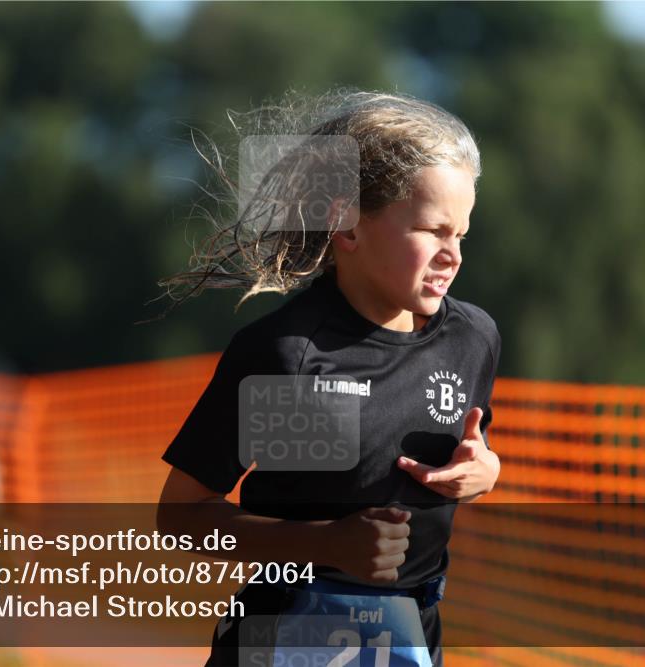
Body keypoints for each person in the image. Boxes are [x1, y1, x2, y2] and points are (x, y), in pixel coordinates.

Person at [156, 88, 501, 667]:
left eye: (460, 234)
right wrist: (326, 545)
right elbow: (183, 517)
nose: (453, 255)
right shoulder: (292, 357)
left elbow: (475, 442)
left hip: (415, 635)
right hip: (280, 638)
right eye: (433, 231)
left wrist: (486, 468)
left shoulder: (471, 339)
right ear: (346, 226)